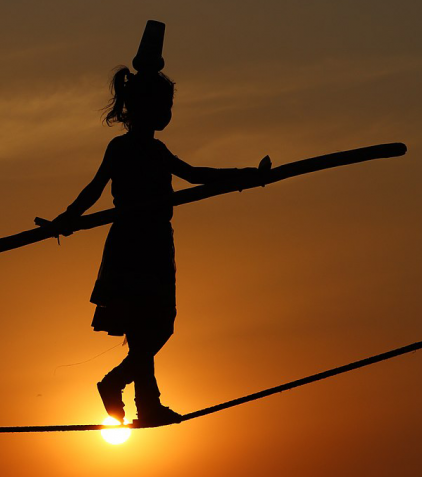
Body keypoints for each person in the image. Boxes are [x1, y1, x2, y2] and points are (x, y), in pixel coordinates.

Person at [50, 64, 263, 427]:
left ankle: (147, 406)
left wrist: (246, 177)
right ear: (146, 108)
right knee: (160, 324)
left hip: (147, 243)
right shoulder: (125, 149)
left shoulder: (155, 150)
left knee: (142, 331)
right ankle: (117, 383)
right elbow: (95, 188)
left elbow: (197, 176)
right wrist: (67, 218)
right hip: (140, 246)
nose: (167, 114)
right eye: (164, 106)